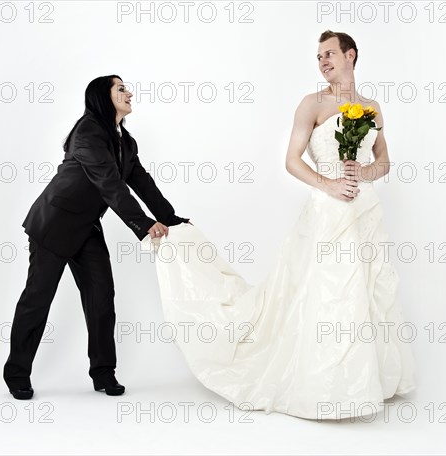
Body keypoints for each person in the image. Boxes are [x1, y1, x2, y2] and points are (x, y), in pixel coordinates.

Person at [141, 31, 416, 420]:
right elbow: (292, 159)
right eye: (318, 56)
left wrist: (363, 171)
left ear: (351, 55)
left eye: (330, 54)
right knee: (332, 289)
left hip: (365, 210)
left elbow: (384, 161)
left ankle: (367, 381)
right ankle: (327, 388)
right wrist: (330, 183)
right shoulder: (312, 104)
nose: (322, 61)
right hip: (328, 209)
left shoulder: (372, 108)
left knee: (370, 286)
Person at [3, 75, 189, 400]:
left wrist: (169, 217)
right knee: (38, 300)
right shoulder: (88, 132)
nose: (129, 92)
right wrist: (143, 225)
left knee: (102, 298)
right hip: (54, 224)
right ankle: (17, 374)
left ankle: (104, 373)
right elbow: (110, 185)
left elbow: (141, 181)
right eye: (121, 89)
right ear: (103, 97)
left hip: (87, 227)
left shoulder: (125, 142)